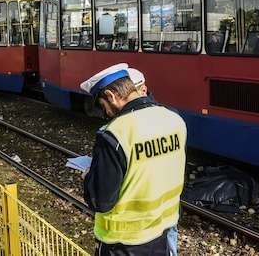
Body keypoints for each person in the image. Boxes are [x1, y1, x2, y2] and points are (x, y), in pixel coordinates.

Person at [80, 63, 187, 255]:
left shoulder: (114, 133)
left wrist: (88, 178)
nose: (105, 113)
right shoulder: (174, 119)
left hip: (124, 244)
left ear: (111, 96)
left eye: (103, 106)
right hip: (163, 232)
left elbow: (101, 202)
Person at [126, 67, 177, 255]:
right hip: (168, 202)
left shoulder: (127, 125)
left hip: (148, 209)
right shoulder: (171, 116)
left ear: (143, 90)